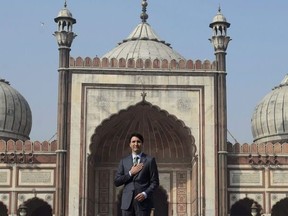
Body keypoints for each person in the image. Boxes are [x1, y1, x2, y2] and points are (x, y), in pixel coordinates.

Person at [114, 132, 159, 216]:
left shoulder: (149, 160)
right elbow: (117, 181)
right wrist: (130, 173)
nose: (136, 144)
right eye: (133, 142)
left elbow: (155, 182)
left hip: (143, 204)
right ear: (130, 144)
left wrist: (145, 194)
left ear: (142, 144)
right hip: (127, 204)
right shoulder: (124, 161)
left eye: (138, 141)